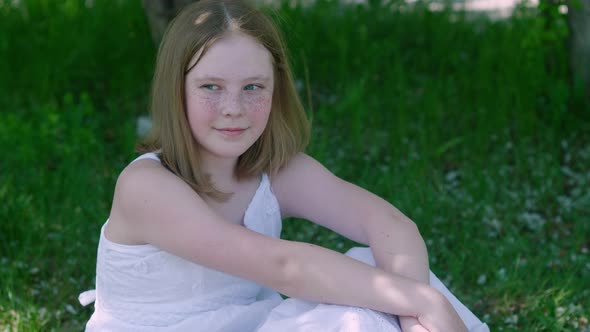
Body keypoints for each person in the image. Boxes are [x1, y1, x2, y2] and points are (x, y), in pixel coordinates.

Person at [79, 0, 490, 331]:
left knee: (376, 271)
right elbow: (285, 267)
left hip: (246, 323)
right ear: (176, 90)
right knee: (362, 310)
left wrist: (412, 318)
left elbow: (390, 226)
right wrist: (422, 300)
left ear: (276, 91)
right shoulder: (146, 187)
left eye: (253, 87)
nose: (233, 109)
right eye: (210, 87)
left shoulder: (276, 171)